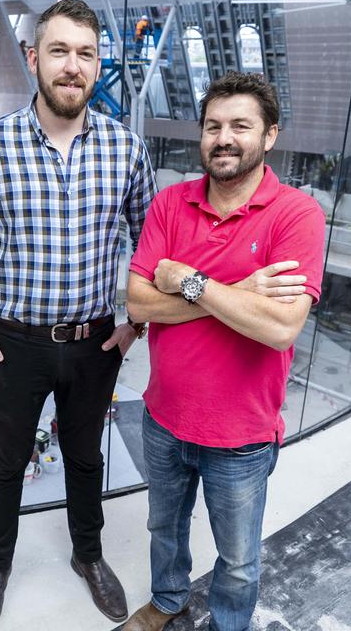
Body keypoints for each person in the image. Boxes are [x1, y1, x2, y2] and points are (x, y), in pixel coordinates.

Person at [0, 0, 156, 631]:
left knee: (86, 458)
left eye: (86, 53)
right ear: (33, 59)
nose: (72, 66)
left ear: (98, 63)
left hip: (93, 343)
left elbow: (153, 246)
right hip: (12, 343)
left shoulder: (126, 151)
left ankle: (88, 556)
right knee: (7, 459)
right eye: (59, 51)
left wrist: (136, 322)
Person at [122, 72, 325, 631]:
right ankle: (168, 600)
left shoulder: (296, 215)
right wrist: (239, 295)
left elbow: (281, 327)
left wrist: (188, 280)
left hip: (241, 436)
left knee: (237, 561)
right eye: (214, 126)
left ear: (270, 136)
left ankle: (229, 625)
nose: (224, 138)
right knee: (164, 529)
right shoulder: (170, 203)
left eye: (241, 125)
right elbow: (138, 304)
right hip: (163, 418)